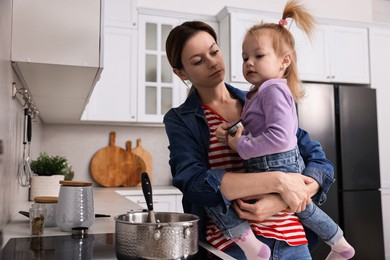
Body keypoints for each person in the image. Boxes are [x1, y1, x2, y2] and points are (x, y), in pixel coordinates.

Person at [164, 17, 334, 260]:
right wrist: (277, 182)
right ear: (181, 72)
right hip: (231, 247)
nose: (212, 63)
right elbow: (194, 183)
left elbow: (318, 161)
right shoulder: (181, 119)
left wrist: (280, 201)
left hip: (291, 238)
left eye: (214, 51)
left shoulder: (262, 96)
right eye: (198, 61)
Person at [211, 1, 355, 260]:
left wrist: (240, 145)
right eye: (245, 57)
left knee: (215, 192)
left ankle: (250, 244)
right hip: (274, 163)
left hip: (273, 163)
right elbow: (259, 127)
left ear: (284, 61)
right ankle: (339, 243)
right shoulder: (258, 92)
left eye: (258, 55)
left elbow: (279, 137)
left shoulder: (273, 89)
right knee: (301, 206)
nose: (249, 63)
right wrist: (232, 131)